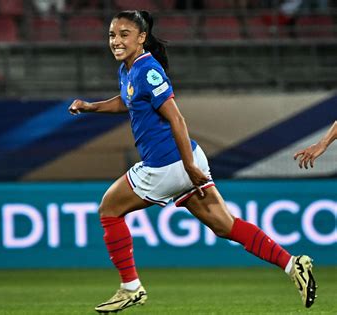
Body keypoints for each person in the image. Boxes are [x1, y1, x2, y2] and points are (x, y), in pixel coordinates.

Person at [68, 10, 318, 313]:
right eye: (112, 35)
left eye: (124, 34)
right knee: (226, 225)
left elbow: (177, 119)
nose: (116, 41)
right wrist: (91, 106)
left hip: (167, 163)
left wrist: (188, 167)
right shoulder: (128, 70)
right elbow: (127, 100)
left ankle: (130, 287)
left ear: (141, 38)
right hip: (185, 160)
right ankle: (293, 265)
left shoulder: (148, 71)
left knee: (109, 208)